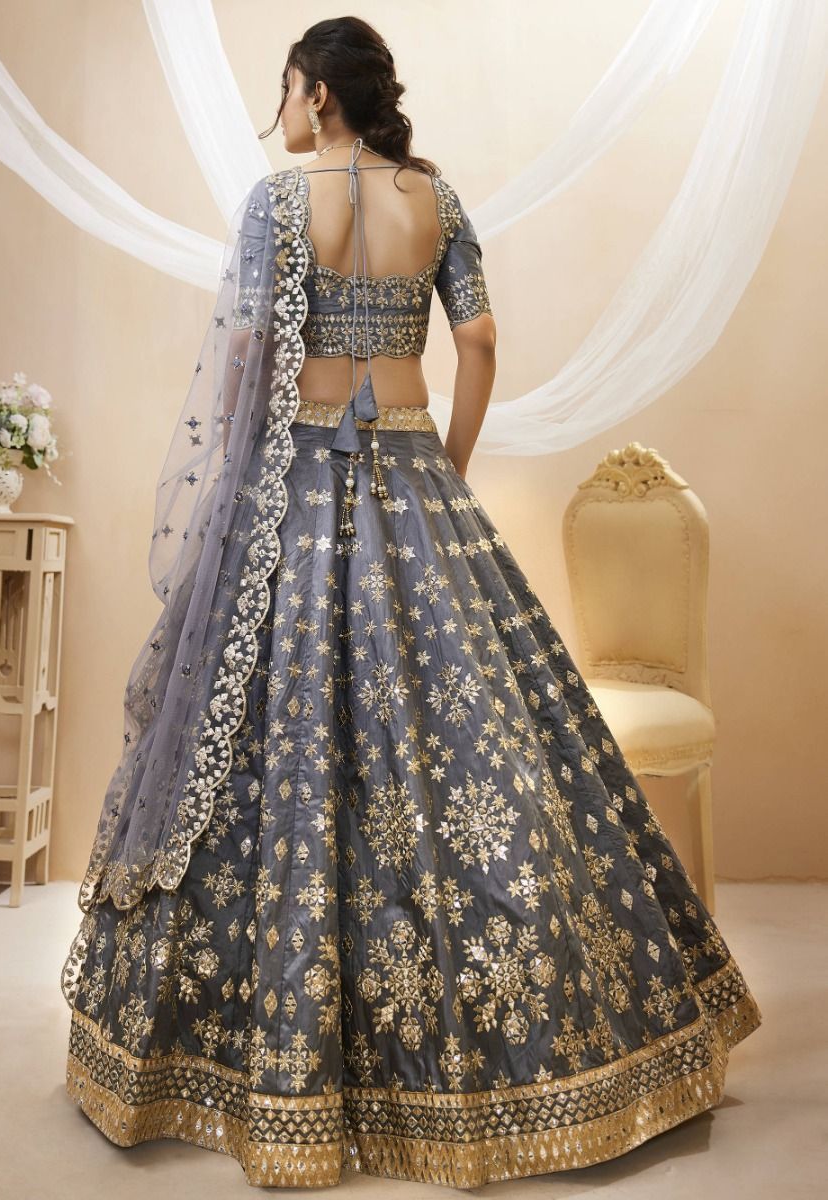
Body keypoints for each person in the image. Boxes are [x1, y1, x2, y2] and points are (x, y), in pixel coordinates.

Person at [60, 16, 761, 1189]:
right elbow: (476, 340)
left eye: (286, 87)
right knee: (478, 745)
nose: (280, 109)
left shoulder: (277, 203)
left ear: (319, 95)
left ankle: (235, 1064)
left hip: (293, 486)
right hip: (412, 472)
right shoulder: (435, 201)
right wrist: (446, 463)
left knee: (276, 746)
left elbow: (243, 364)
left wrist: (242, 496)